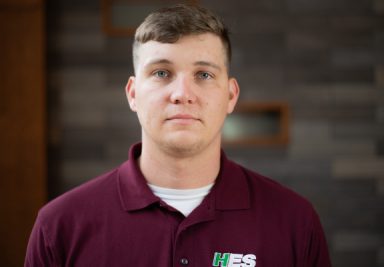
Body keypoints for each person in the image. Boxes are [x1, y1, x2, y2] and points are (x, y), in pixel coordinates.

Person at [25, 4, 332, 267]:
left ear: (230, 95)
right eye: (161, 73)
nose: (182, 94)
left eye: (204, 74)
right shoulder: (59, 226)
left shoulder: (295, 222)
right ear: (133, 94)